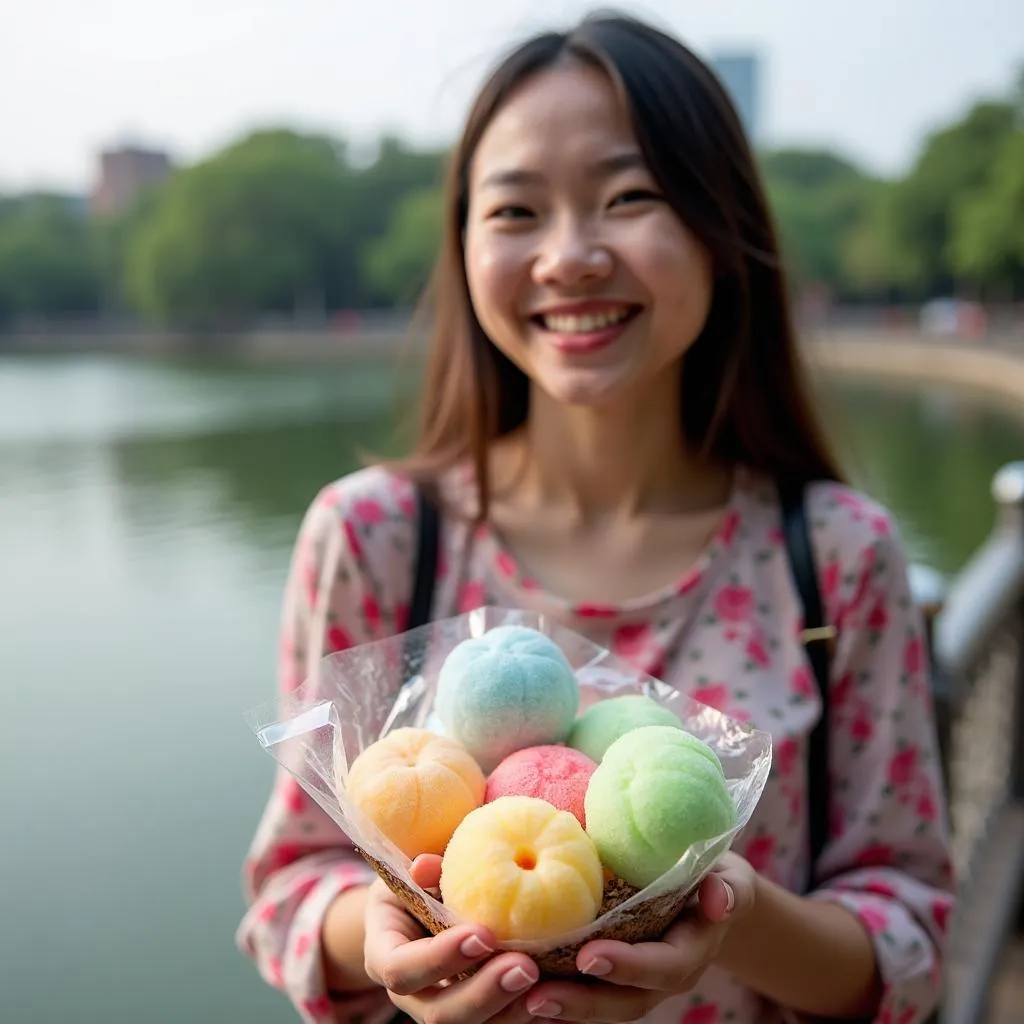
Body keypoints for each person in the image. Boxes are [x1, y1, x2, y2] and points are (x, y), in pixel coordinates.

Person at [236, 12, 955, 1024]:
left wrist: (725, 912)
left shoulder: (836, 554)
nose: (569, 256)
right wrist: (389, 935)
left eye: (629, 197)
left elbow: (910, 940)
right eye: (516, 211)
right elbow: (291, 891)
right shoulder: (375, 536)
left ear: (720, 227)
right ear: (464, 245)